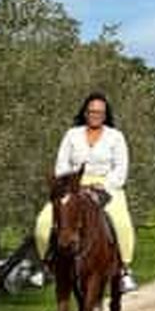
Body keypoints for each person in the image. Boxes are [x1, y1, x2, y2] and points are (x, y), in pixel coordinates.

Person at [35, 91, 137, 293]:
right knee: (43, 222)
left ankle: (124, 270)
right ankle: (45, 266)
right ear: (85, 112)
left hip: (106, 186)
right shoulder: (71, 135)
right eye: (91, 111)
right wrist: (72, 185)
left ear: (105, 114)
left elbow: (121, 168)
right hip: (74, 186)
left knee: (122, 223)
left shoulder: (116, 137)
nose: (95, 115)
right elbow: (61, 165)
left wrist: (105, 184)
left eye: (99, 112)